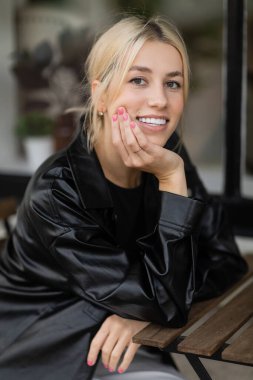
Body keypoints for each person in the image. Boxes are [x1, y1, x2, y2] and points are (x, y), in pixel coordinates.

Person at [0, 15, 248, 380]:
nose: (160, 100)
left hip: (121, 332)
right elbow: (162, 298)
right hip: (44, 341)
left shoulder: (168, 155)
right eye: (138, 80)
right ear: (100, 95)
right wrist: (149, 305)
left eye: (173, 84)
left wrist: (140, 310)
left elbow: (226, 256)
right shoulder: (57, 191)